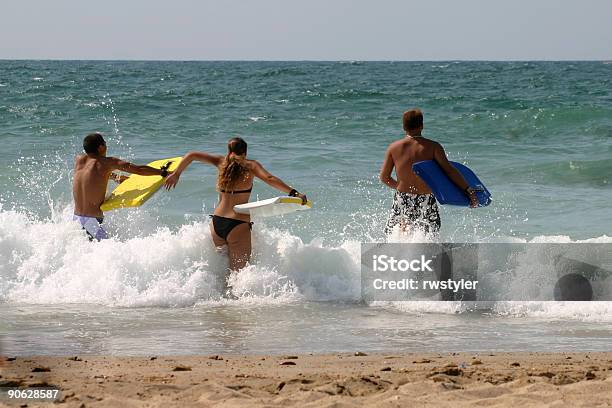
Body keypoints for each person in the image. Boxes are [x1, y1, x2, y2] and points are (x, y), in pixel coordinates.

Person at [164, 137, 307, 271]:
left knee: (223, 270)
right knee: (239, 275)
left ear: (229, 151)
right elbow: (269, 178)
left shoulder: (220, 162)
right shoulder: (251, 166)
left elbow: (191, 155)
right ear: (245, 152)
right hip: (237, 225)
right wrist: (294, 193)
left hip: (217, 224)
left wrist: (176, 174)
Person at [380, 109, 478, 236]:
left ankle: (400, 255)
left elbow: (384, 177)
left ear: (404, 127)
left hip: (402, 197)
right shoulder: (433, 147)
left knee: (403, 232)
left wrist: (400, 187)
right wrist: (468, 190)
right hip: (426, 197)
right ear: (422, 126)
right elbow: (449, 171)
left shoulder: (393, 147)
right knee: (430, 234)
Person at [73, 133, 169, 241]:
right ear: (101, 147)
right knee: (108, 253)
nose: (106, 145)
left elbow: (93, 175)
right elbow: (138, 170)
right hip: (91, 222)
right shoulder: (107, 163)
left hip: (76, 219)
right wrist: (163, 172)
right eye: (104, 143)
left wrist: (117, 178)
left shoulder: (79, 160)